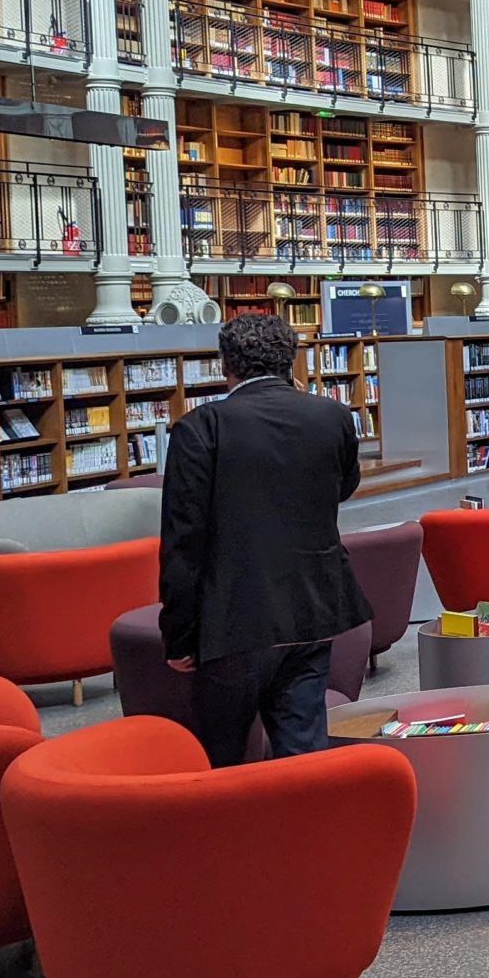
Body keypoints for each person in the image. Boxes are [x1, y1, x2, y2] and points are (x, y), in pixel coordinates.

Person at [158, 312, 369, 767]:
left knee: (227, 754)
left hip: (233, 618)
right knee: (303, 745)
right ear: (289, 360)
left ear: (225, 365)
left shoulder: (201, 428)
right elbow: (343, 486)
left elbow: (183, 543)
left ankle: (239, 834)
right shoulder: (332, 416)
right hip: (313, 609)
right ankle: (306, 833)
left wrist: (178, 635)